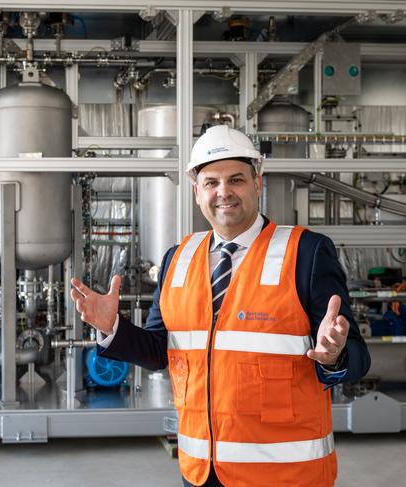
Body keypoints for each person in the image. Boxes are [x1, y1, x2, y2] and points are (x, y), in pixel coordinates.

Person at [70, 125, 371, 487]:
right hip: (202, 471)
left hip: (285, 474)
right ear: (197, 192)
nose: (223, 192)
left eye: (236, 180)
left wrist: (334, 356)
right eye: (211, 182)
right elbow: (160, 352)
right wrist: (113, 328)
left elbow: (357, 356)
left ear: (258, 183)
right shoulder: (177, 259)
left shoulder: (305, 253)